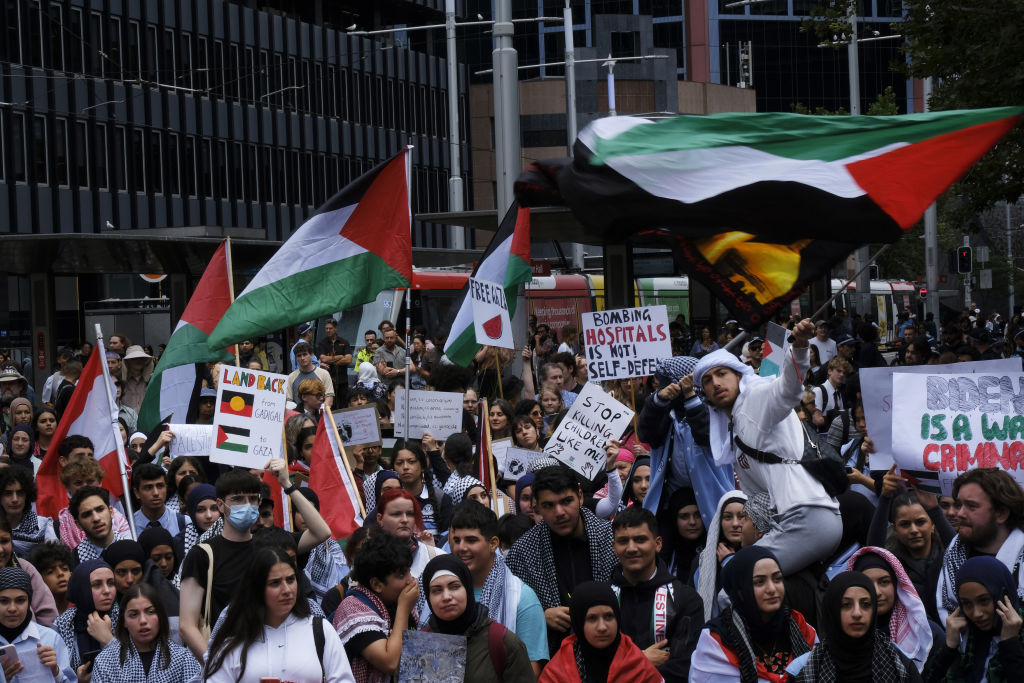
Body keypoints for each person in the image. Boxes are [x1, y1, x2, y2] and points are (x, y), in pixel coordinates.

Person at [692, 319, 843, 576]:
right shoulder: (736, 429)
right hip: (792, 523)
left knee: (736, 585)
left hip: (808, 516)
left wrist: (800, 347)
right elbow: (760, 499)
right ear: (704, 392)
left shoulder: (755, 398)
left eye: (722, 374)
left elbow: (788, 389)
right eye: (707, 380)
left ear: (739, 376)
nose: (716, 383)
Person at [178, 461, 331, 660]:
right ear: (220, 505)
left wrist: (286, 483)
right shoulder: (202, 554)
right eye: (238, 499)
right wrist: (216, 667)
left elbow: (322, 532)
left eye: (252, 499)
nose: (247, 505)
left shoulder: (272, 545)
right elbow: (186, 626)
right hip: (227, 658)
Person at [505, 465, 617, 653]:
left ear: (580, 496)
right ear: (536, 506)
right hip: (553, 657)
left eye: (566, 501)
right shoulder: (522, 553)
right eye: (548, 505)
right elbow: (507, 611)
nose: (559, 512)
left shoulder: (611, 539)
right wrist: (539, 616)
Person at [202, 546, 353, 682]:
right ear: (256, 589)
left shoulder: (321, 630)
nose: (287, 590)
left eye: (290, 580)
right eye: (275, 583)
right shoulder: (232, 642)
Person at [448, 501, 548, 675]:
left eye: (471, 540)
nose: (461, 548)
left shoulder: (522, 598)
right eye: (456, 540)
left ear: (493, 543)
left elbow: (529, 672)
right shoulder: (440, 591)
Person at [691, 546, 817, 682]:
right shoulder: (715, 642)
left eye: (777, 579)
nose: (772, 589)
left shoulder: (802, 629)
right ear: (740, 591)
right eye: (759, 582)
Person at [610, 506, 703, 681]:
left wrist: (624, 667)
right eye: (623, 541)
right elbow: (593, 662)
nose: (631, 548)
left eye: (640, 539)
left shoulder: (686, 599)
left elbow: (685, 666)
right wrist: (641, 659)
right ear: (614, 547)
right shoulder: (603, 599)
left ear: (658, 544)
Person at [793, 571, 922, 682]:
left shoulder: (900, 665)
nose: (857, 613)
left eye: (865, 604)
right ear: (832, 611)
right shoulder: (807, 670)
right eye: (846, 605)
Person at [421, 554, 534, 681]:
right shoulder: (420, 645)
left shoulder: (503, 642)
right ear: (428, 598)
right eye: (437, 590)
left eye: (454, 587)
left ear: (468, 590)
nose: (446, 596)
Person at [936, 468, 1024, 622]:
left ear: (1001, 513)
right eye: (959, 504)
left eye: (971, 506)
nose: (960, 513)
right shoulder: (952, 554)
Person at [539, 580, 663, 683]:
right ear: (579, 623)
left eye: (608, 616)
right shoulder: (556, 672)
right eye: (592, 618)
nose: (602, 627)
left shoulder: (639, 667)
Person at [334, 533, 419, 683]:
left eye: (408, 571)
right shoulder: (353, 609)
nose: (410, 580)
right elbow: (390, 663)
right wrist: (404, 609)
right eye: (401, 575)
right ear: (377, 584)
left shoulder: (398, 600)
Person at [924, 555, 1024, 682]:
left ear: (1003, 595)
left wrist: (1010, 643)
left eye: (984, 600)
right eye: (966, 603)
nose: (976, 614)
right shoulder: (969, 639)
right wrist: (949, 648)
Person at [867, 480, 955, 623]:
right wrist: (885, 497)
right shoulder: (891, 565)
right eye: (905, 524)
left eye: (920, 522)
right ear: (895, 530)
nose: (913, 530)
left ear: (932, 525)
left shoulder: (948, 559)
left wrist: (935, 510)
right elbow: (872, 552)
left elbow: (960, 553)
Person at [90, 583, 201, 682]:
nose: (143, 620)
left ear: (160, 616)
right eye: (134, 614)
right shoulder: (105, 663)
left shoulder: (183, 659)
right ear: (124, 621)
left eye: (150, 612)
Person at [0, 566, 76, 683]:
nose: (12, 608)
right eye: (4, 601)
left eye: (20, 600)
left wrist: (55, 671)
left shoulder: (50, 638)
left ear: (29, 602)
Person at [696, 490, 753, 621]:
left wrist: (730, 562)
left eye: (742, 516)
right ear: (719, 522)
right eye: (727, 517)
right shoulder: (703, 560)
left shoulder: (760, 557)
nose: (735, 524)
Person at [53, 559, 119, 673]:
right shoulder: (61, 626)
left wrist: (108, 640)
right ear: (82, 588)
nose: (107, 591)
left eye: (111, 583)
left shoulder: (126, 619)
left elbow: (135, 670)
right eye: (97, 585)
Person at [58, 457, 132, 552]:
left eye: (90, 481)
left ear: (100, 482)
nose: (85, 486)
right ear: (67, 487)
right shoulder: (58, 525)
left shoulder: (118, 519)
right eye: (78, 483)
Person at [392, 442, 453, 543]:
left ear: (423, 466)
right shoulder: (390, 500)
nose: (405, 467)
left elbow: (447, 539)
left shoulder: (441, 498)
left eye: (411, 461)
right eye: (399, 463)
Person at [0, 465, 57, 558]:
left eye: (20, 493)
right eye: (8, 493)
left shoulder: (43, 525)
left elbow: (55, 559)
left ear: (27, 496)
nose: (15, 499)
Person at [68, 486, 132, 565]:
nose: (96, 518)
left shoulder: (133, 550)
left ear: (111, 512)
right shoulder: (72, 562)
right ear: (78, 524)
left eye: (100, 509)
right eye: (87, 514)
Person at [659, 487, 705, 584]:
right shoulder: (664, 557)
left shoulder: (716, 552)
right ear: (674, 520)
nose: (692, 522)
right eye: (684, 516)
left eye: (697, 515)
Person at [131, 464, 186, 536]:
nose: (156, 493)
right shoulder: (129, 526)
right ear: (137, 492)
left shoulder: (184, 523)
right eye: (148, 487)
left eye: (160, 486)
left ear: (166, 488)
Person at [287, 342, 335, 409]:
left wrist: (321, 412)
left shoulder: (324, 374)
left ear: (312, 355)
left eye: (305, 354)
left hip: (319, 415)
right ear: (295, 358)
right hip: (298, 416)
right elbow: (288, 401)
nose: (302, 358)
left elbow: (329, 398)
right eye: (299, 356)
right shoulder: (291, 377)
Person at [30, 541, 73, 615]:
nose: (60, 573)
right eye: (50, 572)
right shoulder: (35, 612)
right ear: (39, 579)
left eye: (64, 568)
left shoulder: (83, 605)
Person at [318, 317, 352, 404]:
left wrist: (332, 361)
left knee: (343, 405)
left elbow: (348, 359)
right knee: (330, 405)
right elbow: (323, 358)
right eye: (326, 328)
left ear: (336, 328)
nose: (328, 330)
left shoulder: (344, 342)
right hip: (328, 381)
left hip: (342, 381)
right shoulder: (323, 343)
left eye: (330, 328)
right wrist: (340, 356)